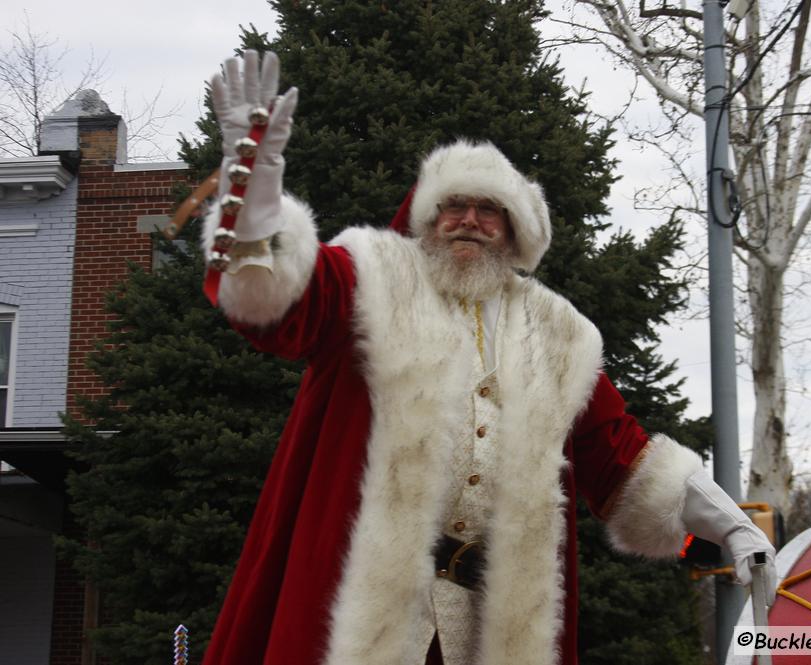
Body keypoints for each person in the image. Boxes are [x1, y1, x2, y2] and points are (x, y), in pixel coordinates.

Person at [200, 51, 776, 665]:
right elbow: (282, 302)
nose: (468, 221)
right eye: (454, 206)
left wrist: (732, 524)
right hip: (362, 597)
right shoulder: (372, 275)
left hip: (489, 621)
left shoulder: (559, 334)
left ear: (514, 229)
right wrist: (255, 191)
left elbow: (623, 457)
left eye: (488, 210)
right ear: (429, 217)